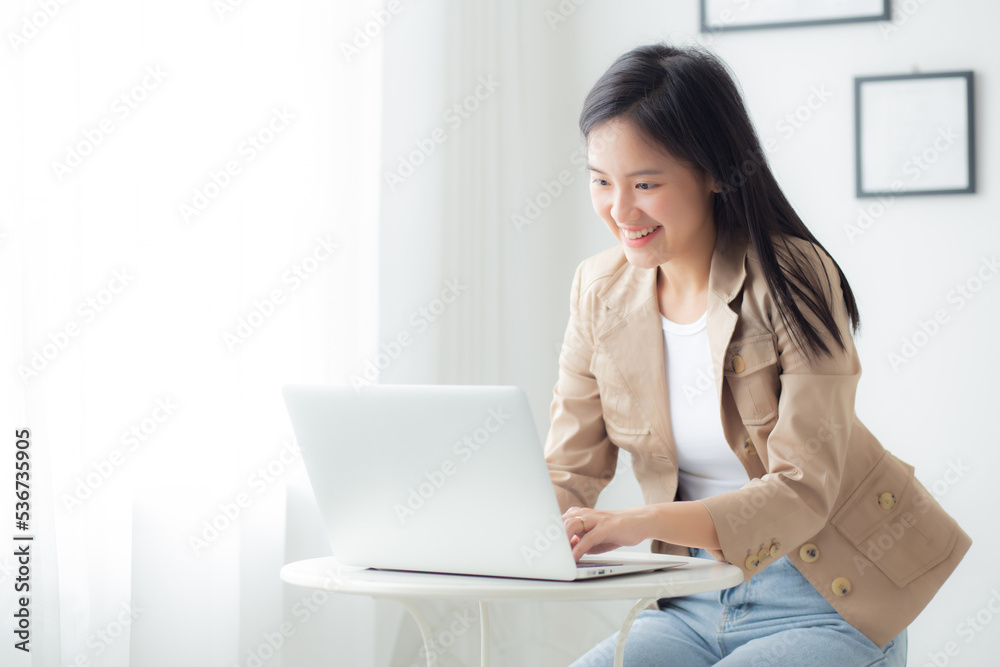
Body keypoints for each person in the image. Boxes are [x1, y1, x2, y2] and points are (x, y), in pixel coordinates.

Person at [543, 42, 971, 666]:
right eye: (601, 182)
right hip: (689, 601)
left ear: (714, 172)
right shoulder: (598, 291)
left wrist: (639, 522)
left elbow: (804, 487)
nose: (620, 209)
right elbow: (569, 475)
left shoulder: (793, 275)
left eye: (645, 183)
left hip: (826, 600)